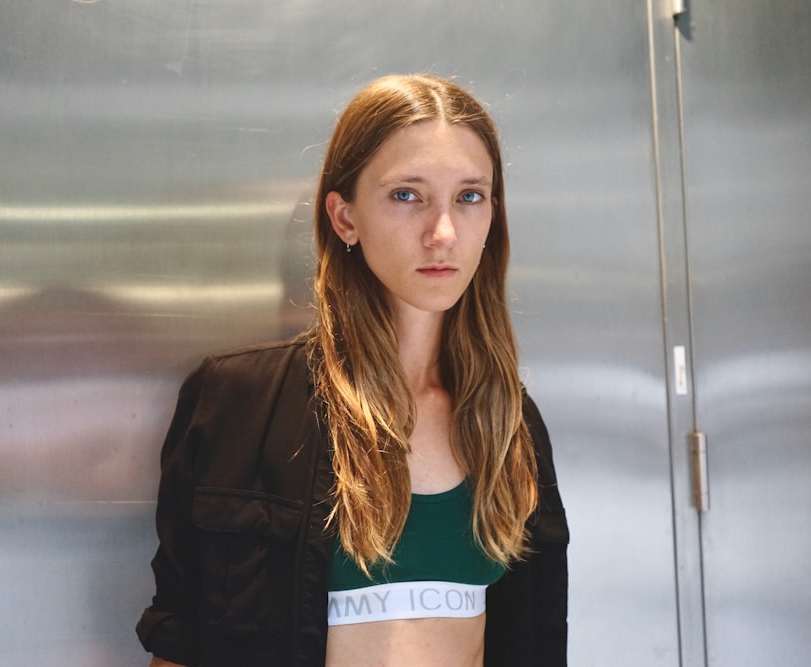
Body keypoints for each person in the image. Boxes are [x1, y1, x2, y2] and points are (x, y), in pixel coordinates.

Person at [136, 73, 569, 667]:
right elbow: (179, 643)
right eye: (407, 194)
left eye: (470, 196)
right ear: (344, 218)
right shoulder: (239, 404)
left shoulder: (508, 419)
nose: (443, 232)